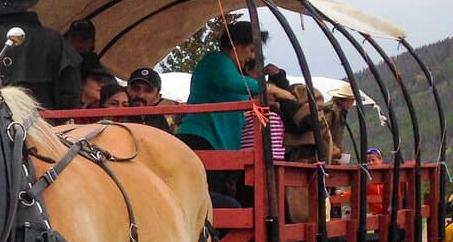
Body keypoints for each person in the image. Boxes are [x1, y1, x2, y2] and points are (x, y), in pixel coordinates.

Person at [174, 19, 295, 196]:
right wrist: (269, 87)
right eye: (252, 50)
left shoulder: (232, 71)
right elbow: (231, 82)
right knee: (210, 199)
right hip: (202, 139)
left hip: (220, 146)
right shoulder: (216, 61)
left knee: (219, 198)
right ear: (236, 44)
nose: (253, 57)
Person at [125, 66, 173, 132]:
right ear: (127, 90)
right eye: (136, 88)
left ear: (157, 97)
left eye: (148, 91)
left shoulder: (159, 121)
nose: (140, 95)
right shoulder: (118, 116)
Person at [321, 83, 357, 158]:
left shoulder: (340, 111)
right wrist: (333, 148)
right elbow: (322, 131)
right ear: (349, 100)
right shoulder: (331, 109)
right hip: (324, 153)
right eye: (352, 100)